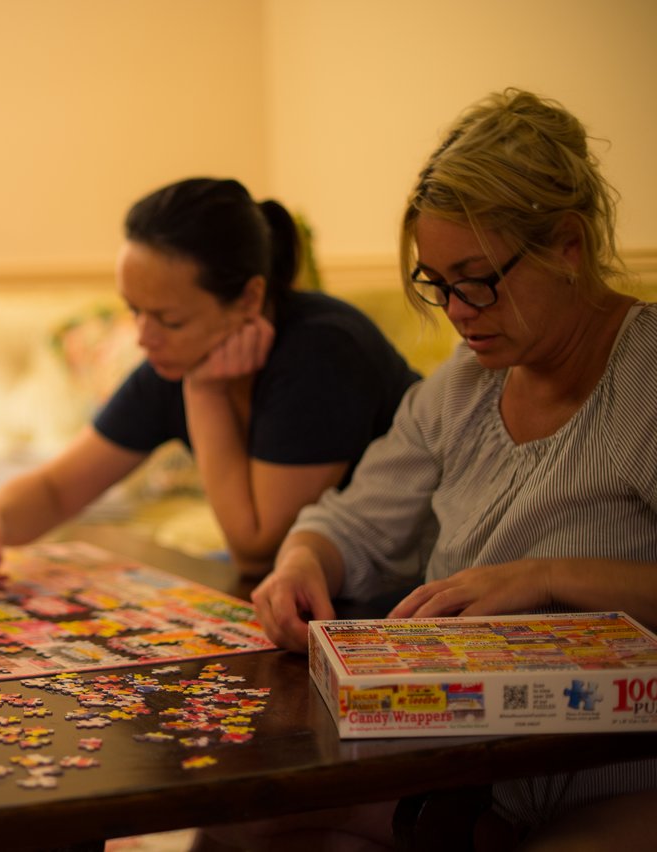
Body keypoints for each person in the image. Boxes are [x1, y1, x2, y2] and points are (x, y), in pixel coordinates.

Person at [243, 88, 657, 850]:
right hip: (470, 777)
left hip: (623, 778)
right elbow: (352, 520)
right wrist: (303, 560)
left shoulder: (646, 379)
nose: (458, 311)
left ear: (568, 244)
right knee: (247, 817)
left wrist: (549, 576)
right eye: (437, 283)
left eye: (477, 278)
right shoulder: (463, 386)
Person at [0, 178, 419, 587]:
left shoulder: (322, 351)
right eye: (135, 311)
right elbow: (58, 488)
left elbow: (258, 552)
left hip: (398, 593)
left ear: (249, 298)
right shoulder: (177, 355)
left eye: (169, 320)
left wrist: (205, 392)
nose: (144, 337)